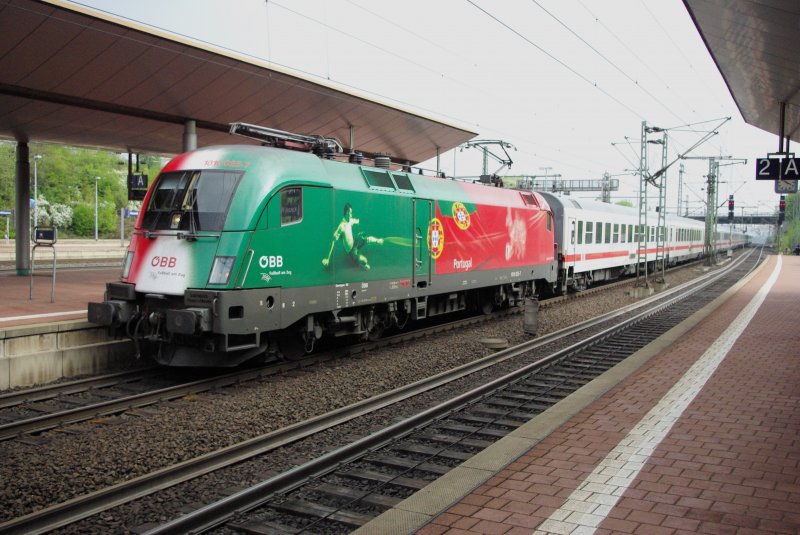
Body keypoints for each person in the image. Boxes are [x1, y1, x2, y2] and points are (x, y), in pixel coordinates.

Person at [322, 203, 383, 270]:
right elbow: (332, 241)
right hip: (351, 250)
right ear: (347, 212)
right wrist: (327, 258)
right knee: (364, 260)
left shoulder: (350, 220)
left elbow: (356, 221)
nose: (351, 215)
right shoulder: (341, 226)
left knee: (366, 237)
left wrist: (359, 221)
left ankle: (378, 240)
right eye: (350, 213)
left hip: (354, 240)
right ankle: (363, 264)